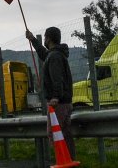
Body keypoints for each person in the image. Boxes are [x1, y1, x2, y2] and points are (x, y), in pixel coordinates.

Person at [26, 26, 75, 159]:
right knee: (64, 134)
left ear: (48, 38)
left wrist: (55, 97)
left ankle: (64, 161)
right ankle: (68, 160)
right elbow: (43, 54)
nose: (44, 40)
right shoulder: (55, 54)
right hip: (64, 102)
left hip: (57, 104)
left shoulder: (54, 57)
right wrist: (33, 40)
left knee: (55, 134)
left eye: (45, 37)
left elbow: (57, 78)